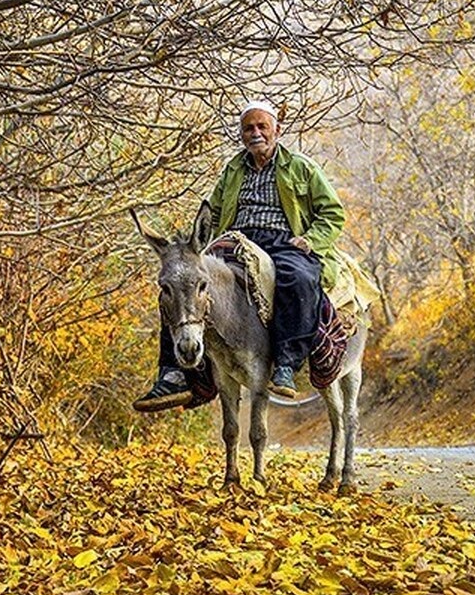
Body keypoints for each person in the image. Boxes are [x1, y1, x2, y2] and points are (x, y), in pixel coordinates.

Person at [133, 100, 346, 412]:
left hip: (286, 242)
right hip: (237, 242)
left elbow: (333, 213)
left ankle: (286, 364)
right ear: (242, 134)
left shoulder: (302, 167)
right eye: (249, 128)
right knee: (179, 281)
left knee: (299, 278)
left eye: (262, 126)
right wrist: (199, 248)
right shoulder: (233, 170)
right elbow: (215, 212)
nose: (256, 133)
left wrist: (310, 240)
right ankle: (174, 373)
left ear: (277, 130)